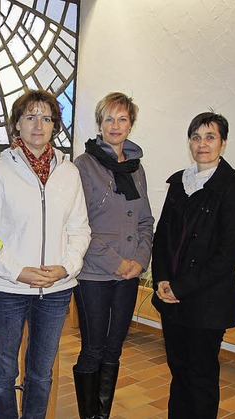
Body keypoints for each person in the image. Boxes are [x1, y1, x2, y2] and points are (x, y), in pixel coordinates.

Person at [0, 89, 91, 418]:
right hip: (8, 289)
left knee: (41, 375)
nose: (38, 125)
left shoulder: (69, 174)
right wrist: (17, 271)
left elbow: (80, 229)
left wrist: (66, 267)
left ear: (55, 125)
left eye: (46, 118)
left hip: (55, 291)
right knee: (2, 374)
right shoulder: (0, 171)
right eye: (30, 117)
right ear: (17, 125)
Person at [151, 111, 235, 418]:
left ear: (223, 143)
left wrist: (180, 286)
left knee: (201, 377)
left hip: (206, 302)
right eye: (196, 137)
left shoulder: (233, 190)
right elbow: (163, 238)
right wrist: (162, 280)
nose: (202, 144)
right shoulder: (180, 183)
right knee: (179, 371)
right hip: (173, 300)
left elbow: (229, 254)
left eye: (210, 137)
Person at [72, 92, 154, 419]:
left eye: (122, 119)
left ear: (130, 124)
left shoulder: (136, 168)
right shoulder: (84, 165)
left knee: (114, 348)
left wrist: (139, 261)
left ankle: (101, 415)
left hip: (128, 274)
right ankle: (88, 415)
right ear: (100, 125)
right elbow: (78, 225)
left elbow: (146, 221)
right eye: (109, 118)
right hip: (95, 272)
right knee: (93, 349)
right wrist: (116, 262)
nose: (115, 125)